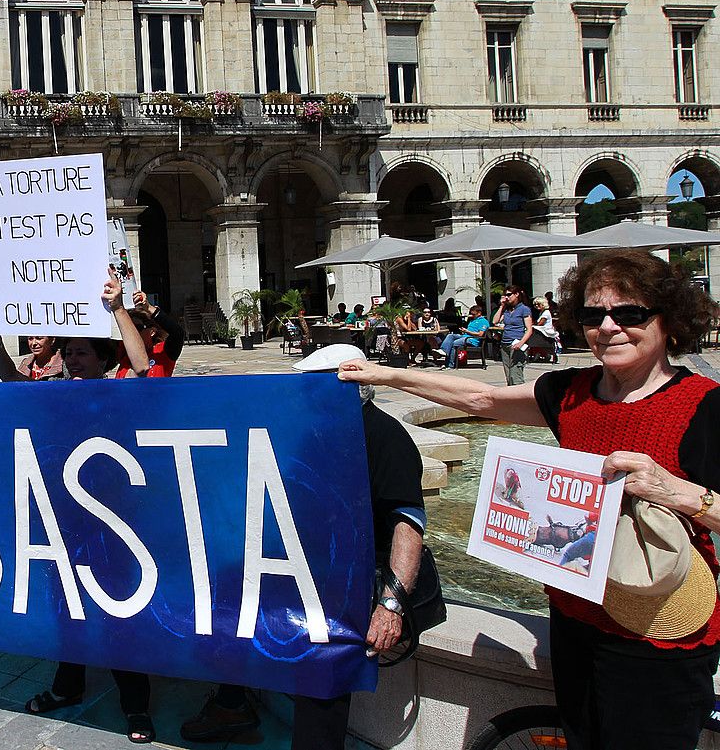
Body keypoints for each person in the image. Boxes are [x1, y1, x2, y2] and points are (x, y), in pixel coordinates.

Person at [338, 249, 720, 750]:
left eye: (629, 314)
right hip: (575, 620)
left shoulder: (704, 405)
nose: (609, 327)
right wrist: (387, 376)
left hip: (658, 631)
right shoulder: (571, 392)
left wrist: (677, 491)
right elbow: (480, 400)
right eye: (592, 314)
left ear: (668, 321)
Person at [181, 344, 425, 745]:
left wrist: (390, 605)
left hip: (352, 580)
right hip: (307, 566)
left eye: (316, 386)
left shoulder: (385, 437)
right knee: (224, 596)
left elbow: (408, 522)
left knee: (323, 668)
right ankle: (231, 703)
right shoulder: (319, 434)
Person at [1, 271, 155, 743]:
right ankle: (67, 686)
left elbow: (145, 367)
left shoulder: (119, 394)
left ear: (103, 359)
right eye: (66, 352)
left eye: (80, 352)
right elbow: (11, 383)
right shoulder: (54, 394)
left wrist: (118, 309)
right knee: (67, 607)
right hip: (63, 520)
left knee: (119, 614)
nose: (69, 358)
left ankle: (136, 706)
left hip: (115, 525)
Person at [117, 290, 185, 378]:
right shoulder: (124, 352)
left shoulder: (163, 352)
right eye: (129, 329)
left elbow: (177, 333)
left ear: (152, 331)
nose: (132, 332)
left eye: (138, 328)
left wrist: (148, 307)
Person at [494, 284, 534, 385]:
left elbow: (529, 329)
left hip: (517, 344)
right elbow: (495, 321)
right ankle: (511, 397)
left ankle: (520, 398)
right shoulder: (507, 310)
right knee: (508, 375)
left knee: (516, 375)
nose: (507, 297)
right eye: (505, 295)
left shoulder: (524, 309)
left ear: (516, 294)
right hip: (505, 344)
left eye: (509, 295)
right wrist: (502, 306)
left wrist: (521, 343)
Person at [0, 332, 66, 382]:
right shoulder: (26, 363)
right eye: (30, 339)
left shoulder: (64, 364)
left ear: (52, 340)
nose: (34, 343)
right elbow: (13, 380)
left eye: (39, 338)